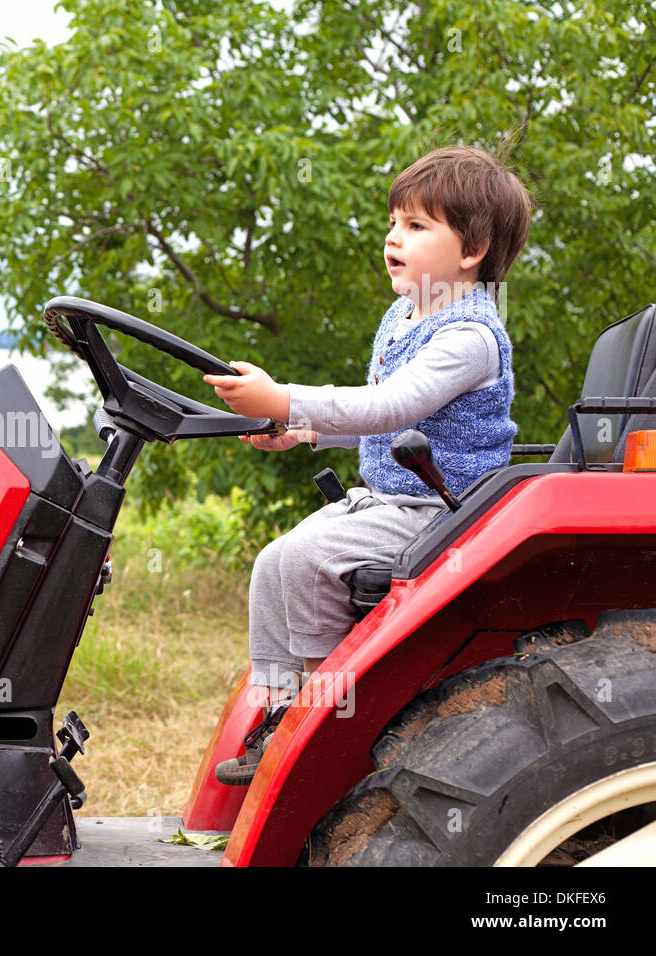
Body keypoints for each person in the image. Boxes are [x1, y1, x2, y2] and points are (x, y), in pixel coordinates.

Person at [202, 145, 534, 785]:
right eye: (392, 222)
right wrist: (299, 431)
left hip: (442, 509)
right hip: (390, 500)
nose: (393, 237)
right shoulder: (403, 316)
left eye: (416, 226)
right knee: (275, 560)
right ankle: (282, 706)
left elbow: (390, 407)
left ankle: (326, 720)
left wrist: (285, 397)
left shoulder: (469, 336)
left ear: (471, 251)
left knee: (306, 560)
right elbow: (380, 427)